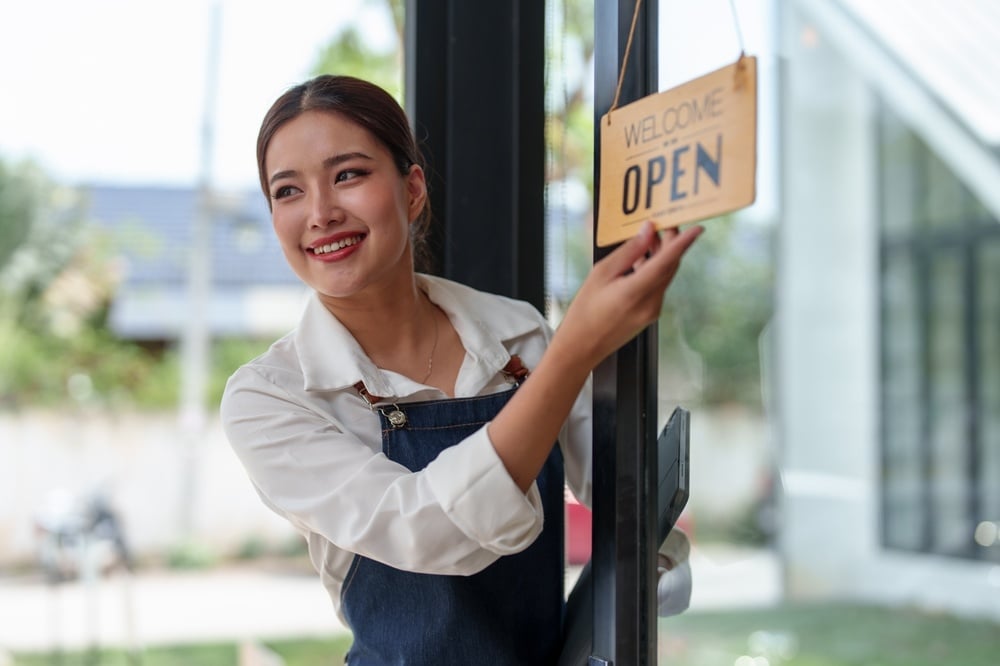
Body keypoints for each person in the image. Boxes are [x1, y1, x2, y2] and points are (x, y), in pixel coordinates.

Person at [221, 74, 701, 665]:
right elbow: (426, 528)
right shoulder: (272, 397)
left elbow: (615, 488)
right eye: (288, 191)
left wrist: (656, 556)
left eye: (348, 175)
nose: (320, 213)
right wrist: (577, 348)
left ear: (413, 189)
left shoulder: (514, 334)